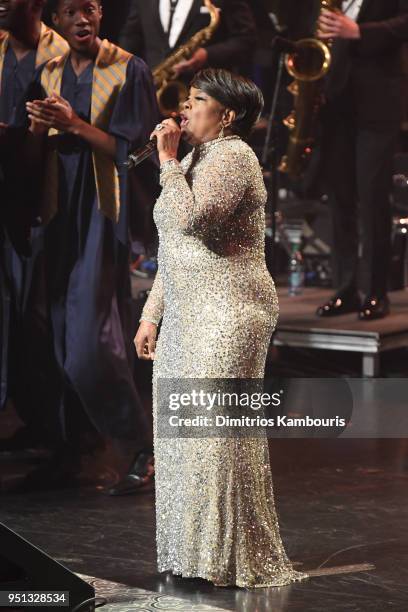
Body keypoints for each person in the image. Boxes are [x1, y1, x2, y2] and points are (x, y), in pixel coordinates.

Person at [134, 68, 309, 587]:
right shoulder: (194, 158)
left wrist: (166, 162)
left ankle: (222, 558)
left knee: (213, 436)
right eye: (185, 100)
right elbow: (174, 248)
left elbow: (193, 222)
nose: (183, 109)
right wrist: (150, 313)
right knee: (182, 437)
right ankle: (193, 555)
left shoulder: (234, 157)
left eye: (196, 100)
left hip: (230, 312)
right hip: (188, 311)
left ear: (227, 115)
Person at [19, 0, 159, 488]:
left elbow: (142, 153)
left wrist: (74, 123)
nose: (84, 19)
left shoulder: (127, 69)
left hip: (102, 212)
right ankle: (76, 446)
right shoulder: (50, 71)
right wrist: (39, 128)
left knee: (89, 342)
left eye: (92, 9)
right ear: (55, 21)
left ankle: (140, 443)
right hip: (58, 215)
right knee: (58, 340)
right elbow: (40, 146)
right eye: (72, 11)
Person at [0, 0, 68, 450]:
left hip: (36, 200)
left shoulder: (59, 54)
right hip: (4, 191)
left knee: (36, 318)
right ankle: (30, 415)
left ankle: (57, 429)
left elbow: (53, 136)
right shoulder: (1, 46)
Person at [316, 0, 408, 320]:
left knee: (372, 199)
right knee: (340, 199)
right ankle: (345, 288)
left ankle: (375, 292)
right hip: (336, 100)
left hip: (379, 101)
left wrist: (359, 31)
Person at [118, 0, 256, 76]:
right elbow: (130, 37)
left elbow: (246, 40)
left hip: (204, 95)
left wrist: (207, 55)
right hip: (153, 92)